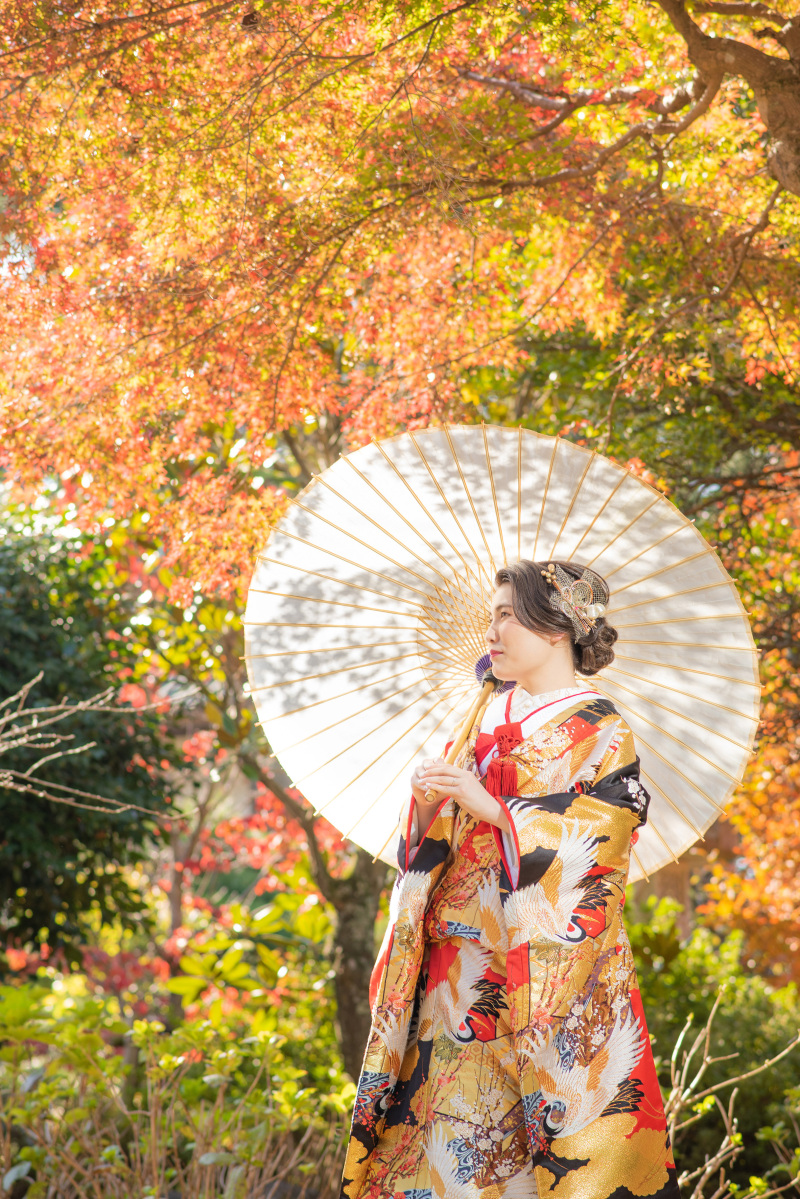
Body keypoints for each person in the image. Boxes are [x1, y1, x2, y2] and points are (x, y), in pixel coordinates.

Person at [340, 559, 681, 1199]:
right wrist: (428, 805)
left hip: (535, 976)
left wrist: (496, 809)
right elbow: (438, 846)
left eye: (504, 615)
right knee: (437, 1139)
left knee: (526, 1155)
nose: (490, 631)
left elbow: (602, 841)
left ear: (556, 629)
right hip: (455, 974)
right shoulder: (486, 714)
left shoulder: (601, 728)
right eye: (491, 615)